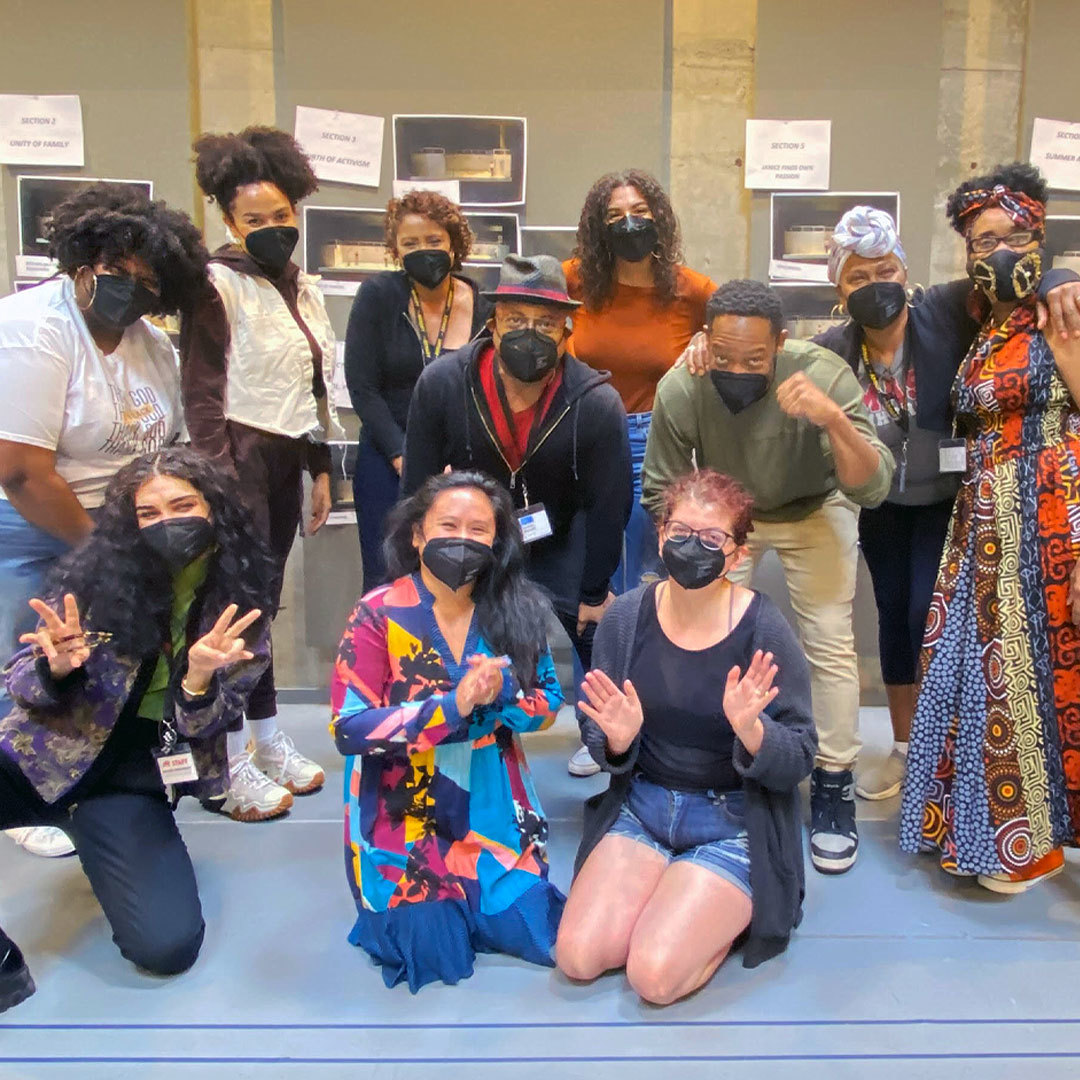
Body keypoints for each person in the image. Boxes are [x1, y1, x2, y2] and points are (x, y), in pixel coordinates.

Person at [0, 447, 273, 1012]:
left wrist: (197, 680)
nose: (165, 522)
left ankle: (93, 836)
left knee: (166, 946)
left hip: (129, 780)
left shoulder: (241, 604)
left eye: (182, 504)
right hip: (37, 755)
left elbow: (208, 727)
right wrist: (56, 670)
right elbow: (21, 681)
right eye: (147, 513)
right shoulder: (92, 576)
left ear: (214, 509)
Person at [642, 279, 893, 875]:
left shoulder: (824, 373)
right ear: (704, 340)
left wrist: (832, 420)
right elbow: (662, 489)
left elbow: (873, 485)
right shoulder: (684, 384)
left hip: (816, 504)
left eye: (754, 359)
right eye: (723, 355)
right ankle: (722, 760)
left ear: (781, 343)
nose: (736, 368)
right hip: (733, 513)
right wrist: (701, 546)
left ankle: (833, 780)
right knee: (708, 629)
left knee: (829, 639)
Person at [0, 182, 208, 858]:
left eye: (150, 282)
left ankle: (94, 784)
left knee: (92, 668)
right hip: (33, 524)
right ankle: (23, 796)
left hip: (119, 526)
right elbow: (21, 471)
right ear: (82, 260)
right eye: (118, 271)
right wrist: (102, 555)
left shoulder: (152, 345)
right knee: (28, 661)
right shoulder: (33, 329)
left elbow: (168, 446)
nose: (132, 290)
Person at [555, 468, 816, 1003]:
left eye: (712, 537)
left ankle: (720, 908)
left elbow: (802, 752)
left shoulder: (764, 630)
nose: (692, 546)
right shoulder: (625, 619)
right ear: (659, 535)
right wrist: (618, 741)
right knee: (577, 958)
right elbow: (596, 725)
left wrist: (754, 732)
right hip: (643, 809)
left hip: (732, 822)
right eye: (679, 532)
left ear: (737, 554)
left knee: (652, 977)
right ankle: (676, 894)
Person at [900, 163, 1080, 893]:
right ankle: (1003, 830)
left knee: (1046, 672)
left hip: (1051, 512)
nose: (996, 251)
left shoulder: (1064, 311)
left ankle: (1038, 835)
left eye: (1010, 235)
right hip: (983, 524)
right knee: (997, 677)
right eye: (981, 241)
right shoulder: (986, 324)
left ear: (1038, 234)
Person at [330, 470, 565, 992]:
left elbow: (548, 702)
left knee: (541, 933)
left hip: (493, 809)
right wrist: (451, 706)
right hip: (402, 813)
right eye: (448, 524)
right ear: (417, 534)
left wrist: (505, 701)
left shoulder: (518, 610)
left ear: (498, 541)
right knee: (435, 953)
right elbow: (349, 729)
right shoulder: (377, 612)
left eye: (479, 529)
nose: (463, 539)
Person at [183, 125, 343, 820]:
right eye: (256, 219)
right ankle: (222, 763)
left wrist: (320, 470)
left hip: (287, 455)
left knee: (263, 604)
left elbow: (312, 386)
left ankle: (268, 737)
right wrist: (216, 484)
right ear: (227, 220)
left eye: (282, 216)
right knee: (233, 608)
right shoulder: (216, 285)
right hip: (237, 457)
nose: (274, 228)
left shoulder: (300, 285)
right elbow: (201, 391)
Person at [402, 254, 633, 695]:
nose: (530, 334)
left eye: (546, 323)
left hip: (563, 529)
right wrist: (419, 574)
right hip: (479, 531)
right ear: (492, 323)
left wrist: (594, 589)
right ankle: (465, 715)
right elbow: (416, 488)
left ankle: (603, 734)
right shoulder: (443, 384)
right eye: (515, 319)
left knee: (597, 631)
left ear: (566, 333)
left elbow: (609, 505)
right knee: (460, 630)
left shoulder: (598, 403)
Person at [562, 170, 716, 778]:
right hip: (584, 438)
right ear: (598, 227)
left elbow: (736, 337)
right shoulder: (576, 282)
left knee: (654, 586)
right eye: (615, 213)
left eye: (641, 208)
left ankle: (658, 715)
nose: (629, 221)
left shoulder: (691, 290)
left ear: (661, 217)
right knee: (592, 587)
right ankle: (596, 721)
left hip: (660, 443)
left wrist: (707, 339)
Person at [344, 191, 488, 588]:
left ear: (454, 243)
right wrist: (402, 456)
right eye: (410, 243)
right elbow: (362, 386)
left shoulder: (485, 304)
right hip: (387, 459)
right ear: (395, 250)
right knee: (388, 574)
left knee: (460, 575)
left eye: (433, 241)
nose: (422, 251)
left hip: (461, 465)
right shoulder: (377, 297)